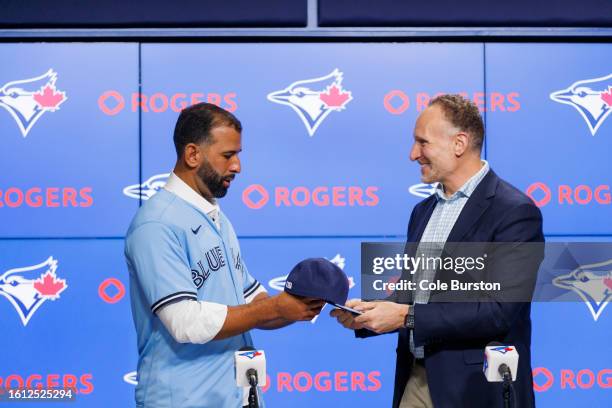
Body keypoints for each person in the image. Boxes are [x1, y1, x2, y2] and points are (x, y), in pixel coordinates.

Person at [331, 95, 544, 408]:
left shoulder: (515, 212)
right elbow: (412, 295)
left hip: (476, 390)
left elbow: (499, 310)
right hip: (416, 381)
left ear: (459, 143)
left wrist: (405, 316)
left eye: (422, 143)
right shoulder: (423, 211)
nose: (413, 154)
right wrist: (370, 314)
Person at [125, 102, 324, 408]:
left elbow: (253, 302)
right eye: (228, 156)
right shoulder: (156, 223)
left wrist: (297, 305)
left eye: (238, 156)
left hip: (235, 397)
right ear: (193, 154)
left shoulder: (216, 217)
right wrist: (273, 309)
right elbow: (185, 322)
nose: (237, 167)